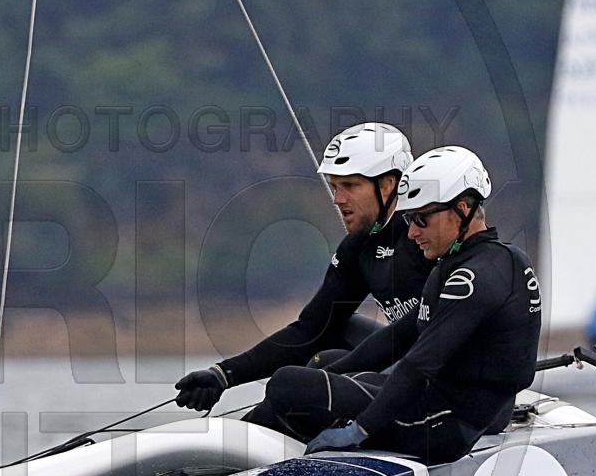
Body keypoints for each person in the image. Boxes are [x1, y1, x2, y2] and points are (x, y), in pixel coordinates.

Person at [242, 146, 542, 465]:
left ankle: (240, 454)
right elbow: (397, 337)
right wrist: (330, 373)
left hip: (443, 427)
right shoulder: (478, 262)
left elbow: (418, 364)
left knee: (288, 384)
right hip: (438, 406)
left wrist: (360, 430)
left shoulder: (472, 278)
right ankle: (241, 443)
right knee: (322, 366)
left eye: (421, 219)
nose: (412, 233)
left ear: (463, 209)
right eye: (409, 219)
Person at [173, 123, 431, 413]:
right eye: (335, 187)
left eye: (350, 186)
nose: (338, 199)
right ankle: (247, 433)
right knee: (334, 333)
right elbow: (310, 329)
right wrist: (223, 374)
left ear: (387, 185)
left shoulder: (428, 234)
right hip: (404, 359)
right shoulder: (358, 246)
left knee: (309, 374)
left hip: (441, 378)